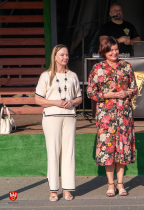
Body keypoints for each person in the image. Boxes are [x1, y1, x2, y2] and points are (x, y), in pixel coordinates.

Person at [87, 36, 138, 197]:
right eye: (111, 50)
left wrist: (127, 92)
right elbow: (90, 91)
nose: (115, 52)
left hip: (124, 113)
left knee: (122, 149)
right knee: (108, 150)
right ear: (104, 51)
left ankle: (121, 184)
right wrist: (106, 94)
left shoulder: (126, 66)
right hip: (106, 116)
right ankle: (110, 184)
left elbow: (134, 88)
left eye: (116, 49)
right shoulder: (97, 68)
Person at [35, 44, 82, 202]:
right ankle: (53, 190)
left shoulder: (73, 75)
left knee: (68, 153)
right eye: (61, 55)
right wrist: (55, 102)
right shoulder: (45, 76)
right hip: (51, 117)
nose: (65, 57)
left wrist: (73, 102)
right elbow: (37, 99)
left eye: (67, 55)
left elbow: (79, 98)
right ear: (54, 57)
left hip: (69, 116)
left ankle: (67, 189)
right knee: (53, 152)